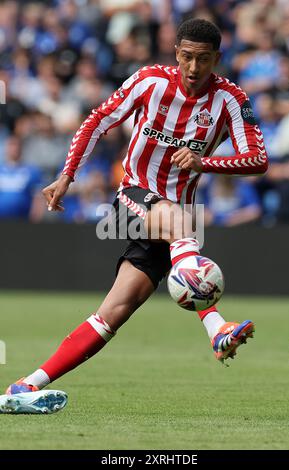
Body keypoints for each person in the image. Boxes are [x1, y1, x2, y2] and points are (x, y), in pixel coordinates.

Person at [0, 18, 268, 414]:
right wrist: (67, 176)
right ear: (176, 52)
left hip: (178, 226)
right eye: (188, 58)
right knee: (180, 222)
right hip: (134, 195)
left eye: (205, 60)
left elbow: (258, 158)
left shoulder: (230, 99)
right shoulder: (150, 81)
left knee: (112, 315)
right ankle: (215, 327)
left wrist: (204, 162)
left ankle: (22, 386)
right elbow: (98, 121)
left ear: (218, 59)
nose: (194, 69)